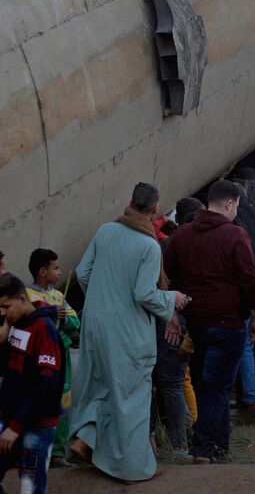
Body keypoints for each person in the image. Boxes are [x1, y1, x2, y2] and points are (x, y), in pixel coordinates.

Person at [70, 183, 187, 481]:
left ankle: (85, 439)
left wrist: (102, 297)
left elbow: (83, 273)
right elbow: (144, 294)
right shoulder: (148, 246)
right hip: (128, 333)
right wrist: (171, 299)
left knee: (100, 386)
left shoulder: (106, 230)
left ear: (130, 202)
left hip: (95, 324)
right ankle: (135, 468)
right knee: (132, 397)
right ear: (155, 209)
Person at [163, 179, 255, 463]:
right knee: (217, 387)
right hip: (228, 323)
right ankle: (204, 449)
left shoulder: (182, 236)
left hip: (195, 323)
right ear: (230, 204)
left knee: (206, 385)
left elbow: (165, 274)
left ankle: (219, 446)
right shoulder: (235, 235)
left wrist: (173, 310)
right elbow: (252, 281)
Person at [0, 273, 66, 494]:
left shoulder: (44, 329)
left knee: (31, 487)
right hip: (9, 420)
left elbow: (46, 385)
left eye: (5, 306)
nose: (2, 312)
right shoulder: (14, 324)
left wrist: (16, 426)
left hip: (36, 426)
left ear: (21, 299)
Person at [24, 248, 79, 465]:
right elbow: (26, 322)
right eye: (55, 268)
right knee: (37, 399)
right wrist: (50, 314)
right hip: (37, 359)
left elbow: (76, 322)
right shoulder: (26, 295)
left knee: (63, 401)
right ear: (42, 271)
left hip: (61, 355)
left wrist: (64, 321)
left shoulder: (59, 296)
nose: (59, 273)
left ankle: (57, 453)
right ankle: (33, 451)